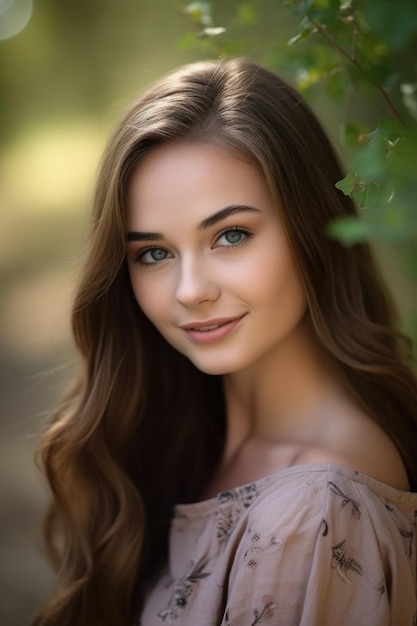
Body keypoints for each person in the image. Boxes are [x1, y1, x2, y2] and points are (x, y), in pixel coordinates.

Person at [34, 58, 417, 626]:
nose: (190, 291)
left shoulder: (311, 514)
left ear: (312, 229)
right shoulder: (186, 441)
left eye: (231, 235)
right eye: (154, 253)